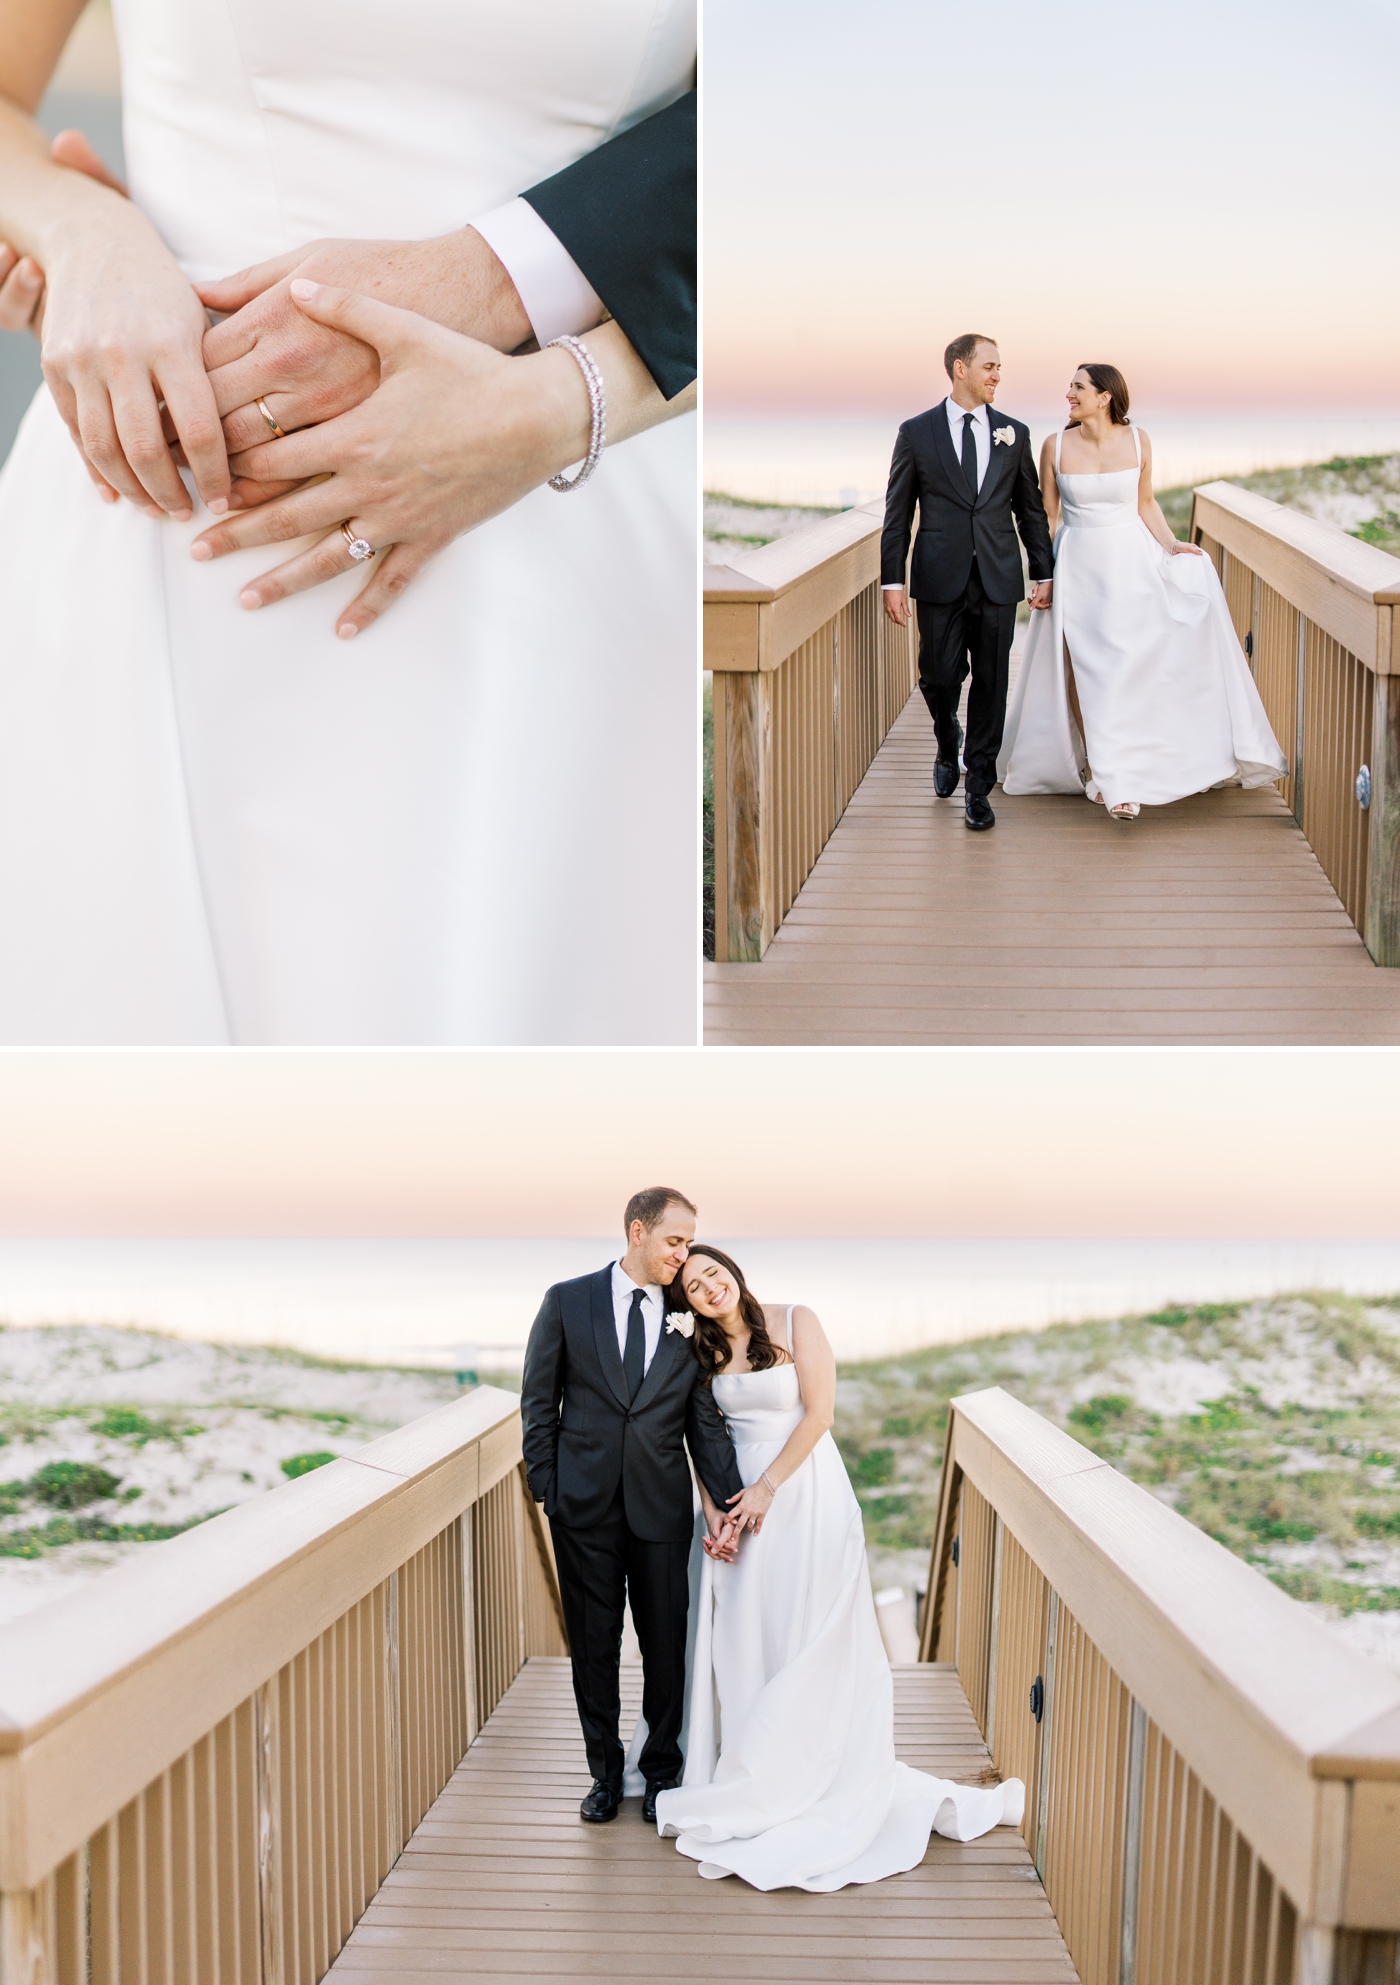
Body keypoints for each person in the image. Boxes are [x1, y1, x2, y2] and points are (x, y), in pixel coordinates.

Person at [0, 2, 696, 1045]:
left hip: (569, 528)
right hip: (156, 533)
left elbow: (823, 133)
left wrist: (539, 377)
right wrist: (75, 231)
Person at [653, 1244, 1024, 1891]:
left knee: (812, 1632)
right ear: (686, 1302)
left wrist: (767, 1487)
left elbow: (820, 1414)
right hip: (738, 1512)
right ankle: (755, 1768)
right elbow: (695, 1434)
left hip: (806, 1494)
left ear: (732, 1272)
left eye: (713, 1272)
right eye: (693, 1285)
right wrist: (716, 1509)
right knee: (744, 1640)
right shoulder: (701, 1354)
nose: (708, 1287)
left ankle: (815, 1772)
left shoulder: (796, 1319)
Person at [519, 1189, 743, 1828]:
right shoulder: (567, 1301)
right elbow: (540, 1401)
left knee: (665, 1644)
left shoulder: (687, 1312)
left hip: (660, 1509)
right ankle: (605, 1774)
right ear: (637, 1232)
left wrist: (730, 1503)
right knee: (595, 1647)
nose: (684, 1253)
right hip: (581, 1509)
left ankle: (663, 1774)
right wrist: (549, 1490)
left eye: (689, 1241)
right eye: (675, 1240)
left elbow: (703, 1421)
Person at [998, 364, 1287, 819]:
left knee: (1126, 665)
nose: (1068, 393)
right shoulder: (1055, 446)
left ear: (1104, 396)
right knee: (1083, 667)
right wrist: (1044, 576)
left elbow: (1145, 502)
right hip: (1078, 567)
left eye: (1078, 387)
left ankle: (1135, 765)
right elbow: (1047, 518)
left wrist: (1172, 546)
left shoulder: (1139, 441)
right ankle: (1101, 769)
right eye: (1071, 386)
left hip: (1131, 565)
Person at [880, 334, 1054, 832]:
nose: (998, 375)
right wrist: (893, 580)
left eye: (1000, 367)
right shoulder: (916, 432)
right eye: (990, 366)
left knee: (992, 684)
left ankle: (979, 786)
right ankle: (944, 736)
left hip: (998, 579)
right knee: (938, 677)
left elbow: (1030, 512)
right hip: (938, 577)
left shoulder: (1013, 433)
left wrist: (1043, 570)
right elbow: (898, 515)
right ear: (960, 369)